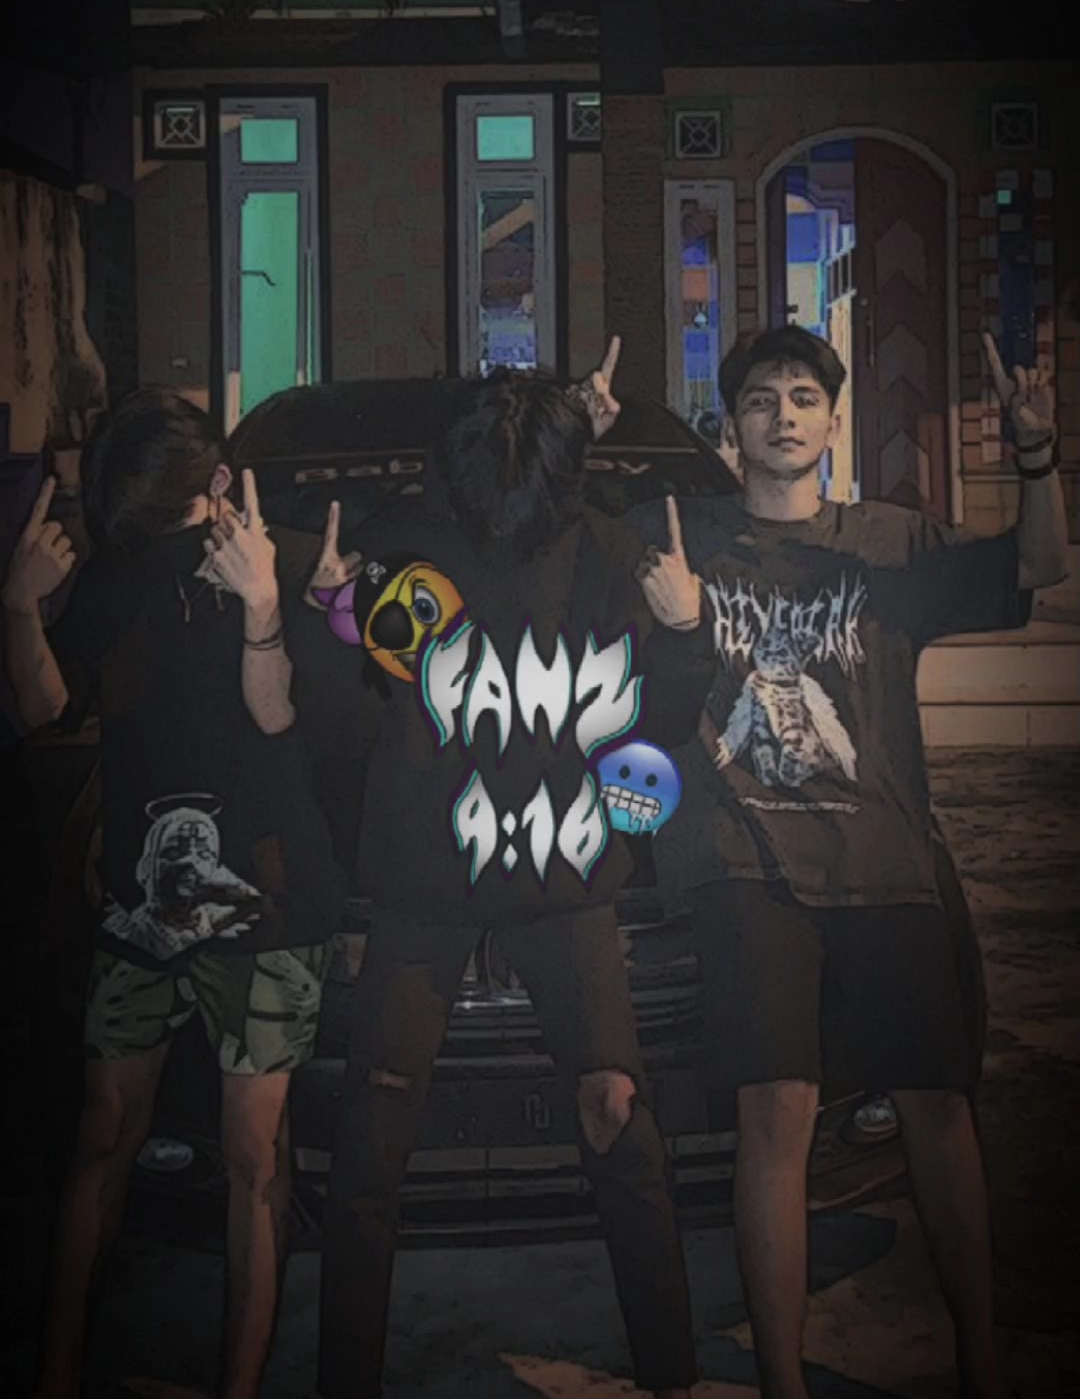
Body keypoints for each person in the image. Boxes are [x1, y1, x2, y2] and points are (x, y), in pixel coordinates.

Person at [629, 324, 1067, 1399]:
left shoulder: (889, 543)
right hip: (748, 867)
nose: (783, 415)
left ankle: (982, 1357)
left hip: (884, 863)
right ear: (731, 428)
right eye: (761, 400)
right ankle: (783, 1380)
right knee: (776, 1112)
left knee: (937, 1108)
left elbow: (1040, 566)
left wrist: (1037, 454)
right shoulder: (683, 537)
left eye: (802, 398)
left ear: (832, 423)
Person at [297, 352, 717, 1399]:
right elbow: (340, 729)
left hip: (566, 883)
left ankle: (672, 1373)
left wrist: (683, 635)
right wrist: (325, 620)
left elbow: (663, 725)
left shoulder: (611, 552)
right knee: (372, 1143)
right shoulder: (399, 549)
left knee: (620, 1119)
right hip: (423, 889)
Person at [2, 387, 346, 1399]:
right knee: (104, 1128)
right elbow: (44, 707)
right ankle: (58, 1371)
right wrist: (17, 607)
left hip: (269, 899)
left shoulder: (285, 559)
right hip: (140, 902)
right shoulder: (119, 571)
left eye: (172, 513)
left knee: (253, 1152)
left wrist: (268, 606)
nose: (159, 537)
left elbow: (280, 722)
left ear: (221, 484)